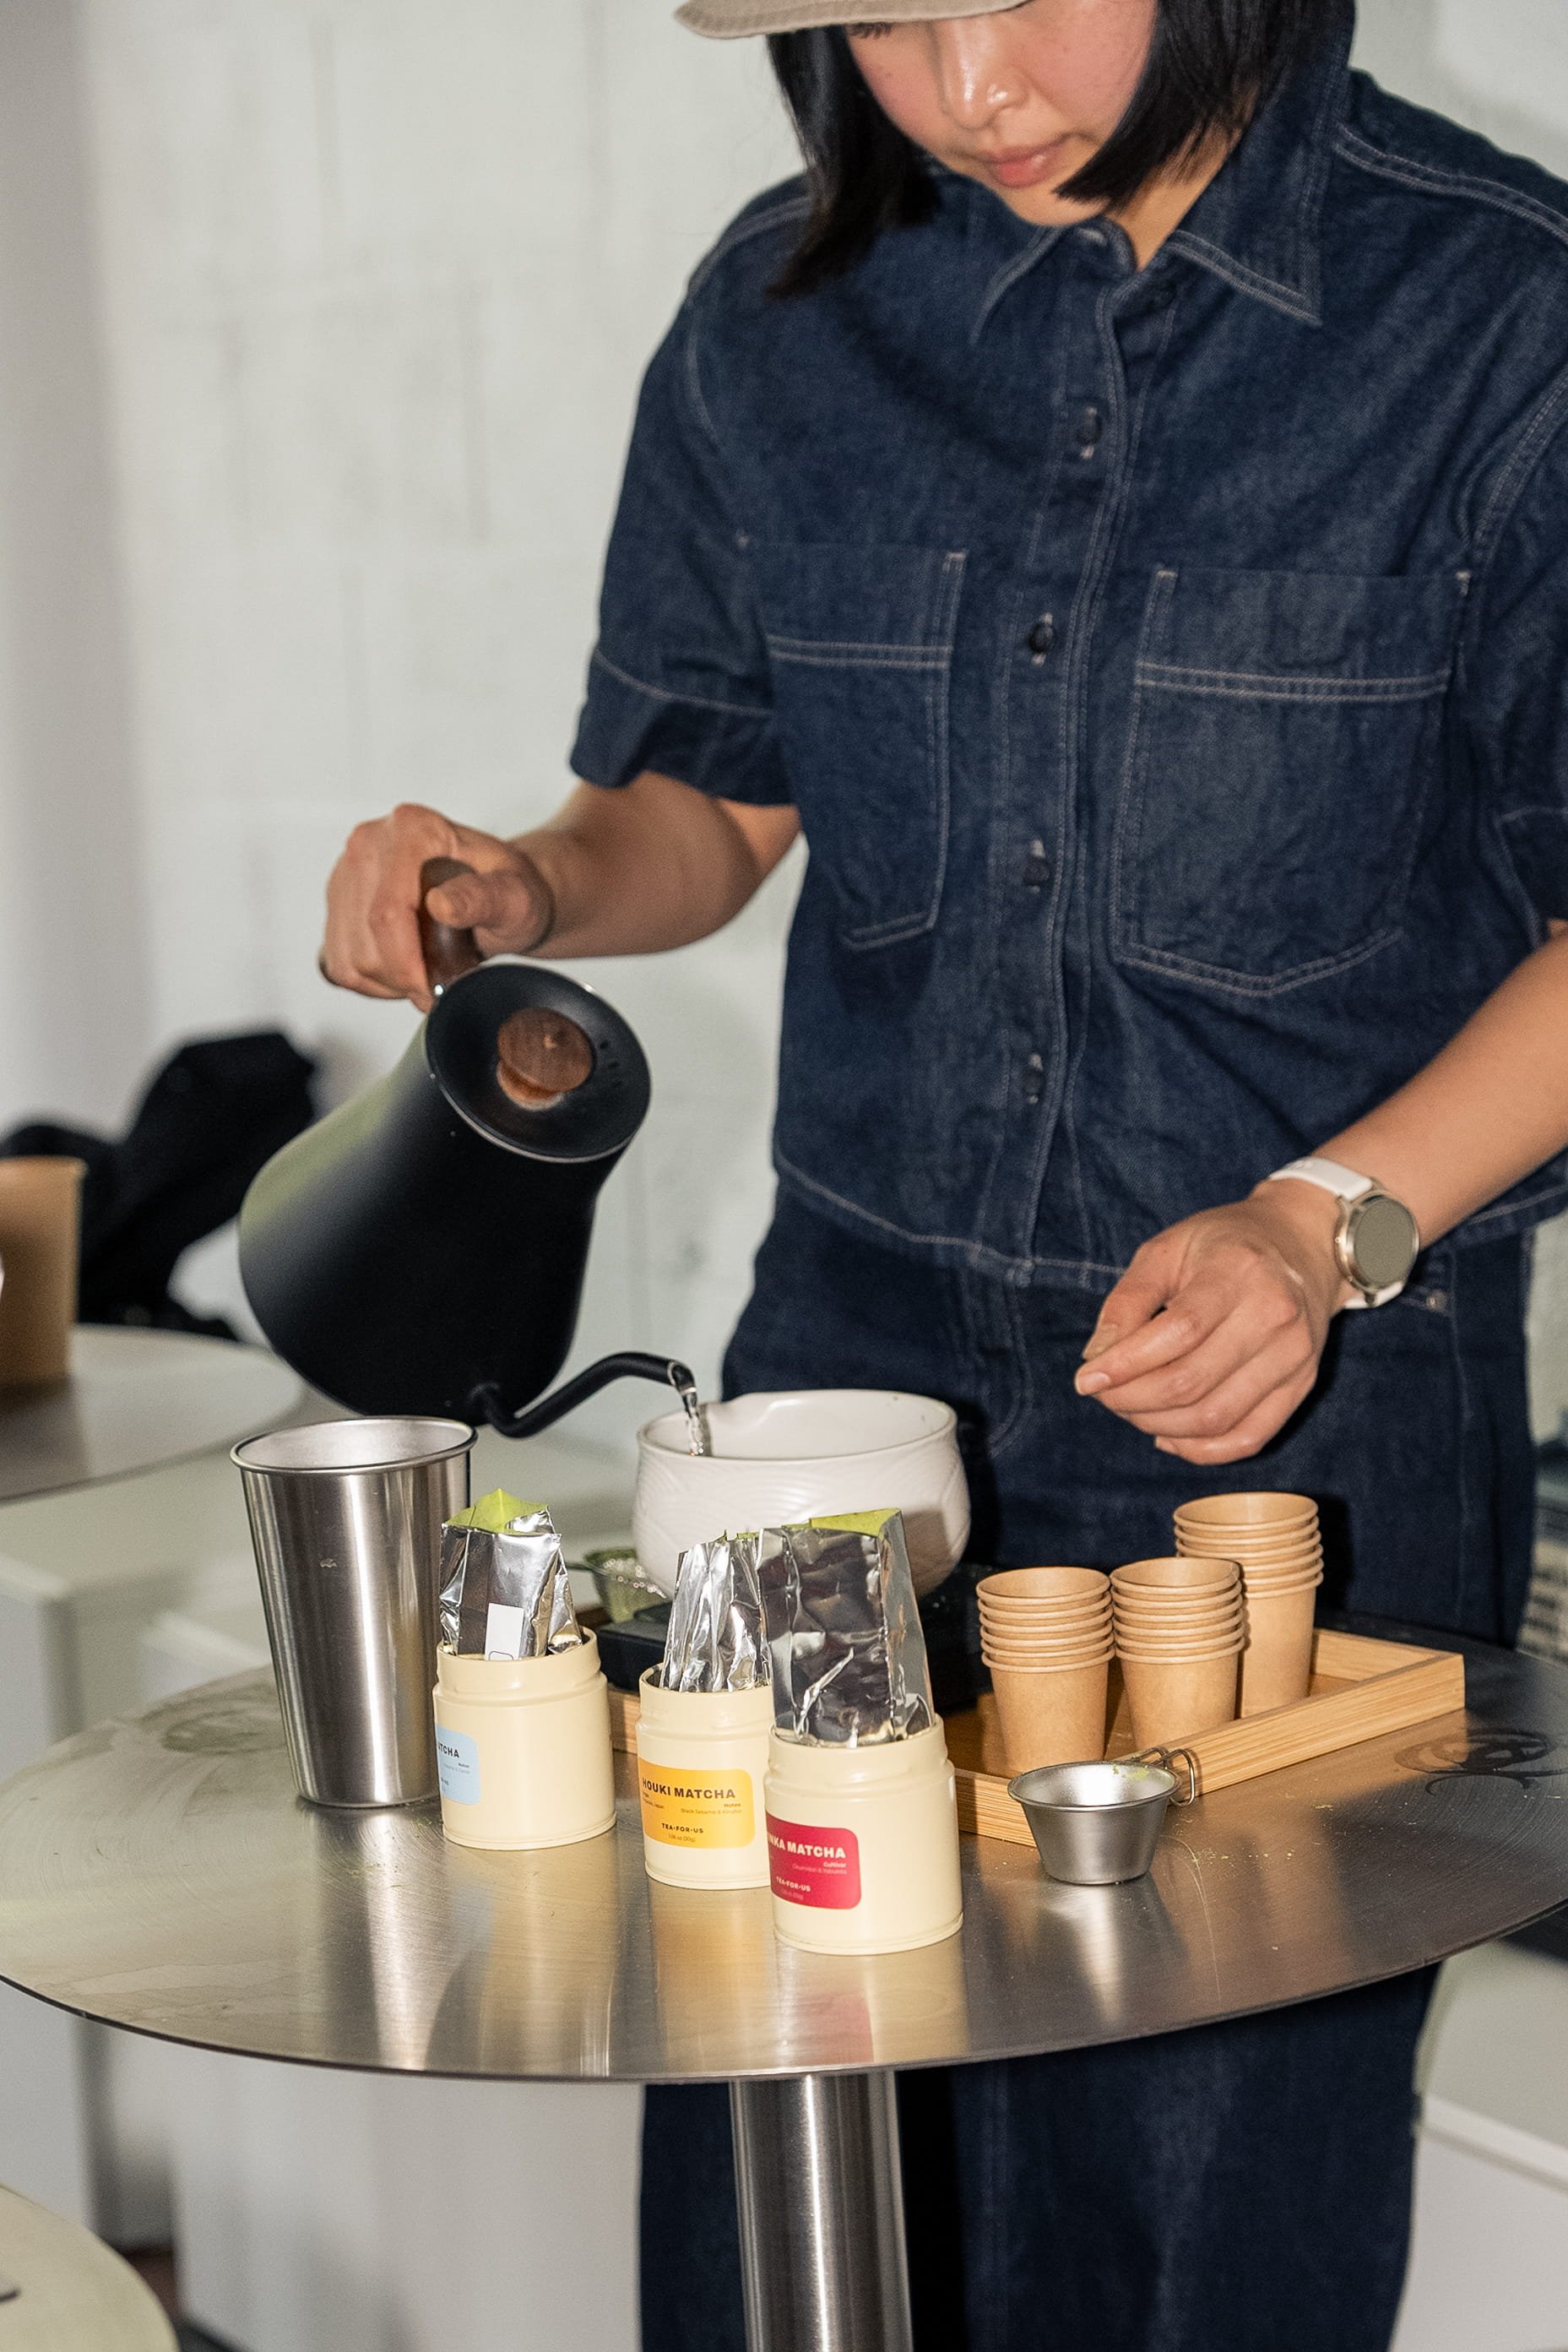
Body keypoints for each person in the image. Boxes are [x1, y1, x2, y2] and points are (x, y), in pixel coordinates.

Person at [320, 1, 1568, 2343]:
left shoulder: (1506, 327)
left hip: (1286, 1441)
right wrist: (532, 884)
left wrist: (1325, 1221)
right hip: (838, 1421)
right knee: (796, 2179)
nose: (968, 85)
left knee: (1199, 2236)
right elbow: (702, 801)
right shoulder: (780, 314)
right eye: (880, 19)